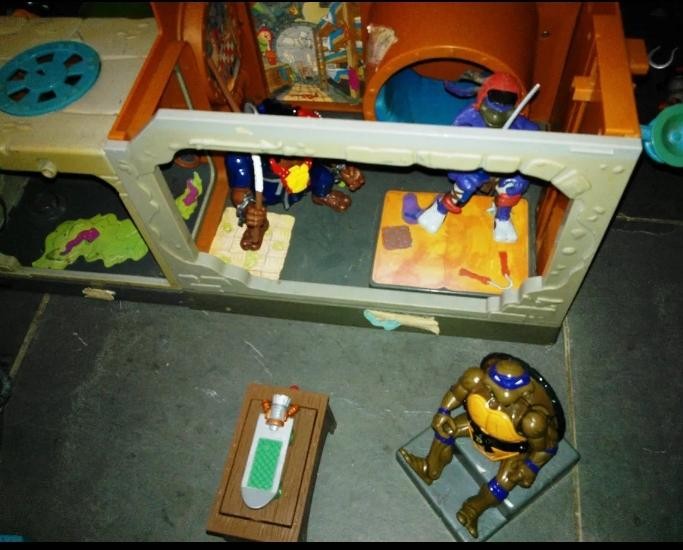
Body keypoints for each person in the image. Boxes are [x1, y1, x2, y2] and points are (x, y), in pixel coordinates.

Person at [399, 352, 565, 539]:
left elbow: (547, 447)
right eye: (490, 389)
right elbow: (456, 393)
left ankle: (473, 510)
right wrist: (443, 412)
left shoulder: (532, 421)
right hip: (473, 427)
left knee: (504, 483)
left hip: (509, 450)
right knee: (445, 430)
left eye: (501, 396)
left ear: (523, 394)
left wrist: (530, 467)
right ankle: (429, 469)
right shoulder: (475, 380)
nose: (493, 400)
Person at [417, 73, 539, 243]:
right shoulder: (470, 117)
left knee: (514, 186)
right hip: (477, 167)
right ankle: (440, 207)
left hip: (507, 167)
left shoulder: (520, 124)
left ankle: (502, 217)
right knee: (465, 185)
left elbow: (537, 141)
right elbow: (453, 141)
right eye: (495, 98)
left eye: (507, 100)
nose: (499, 107)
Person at [227, 101, 365, 251]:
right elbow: (239, 191)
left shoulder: (309, 128)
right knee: (258, 208)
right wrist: (249, 208)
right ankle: (259, 223)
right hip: (268, 187)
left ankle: (322, 194)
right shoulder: (242, 154)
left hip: (308, 174)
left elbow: (329, 148)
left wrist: (343, 168)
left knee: (324, 178)